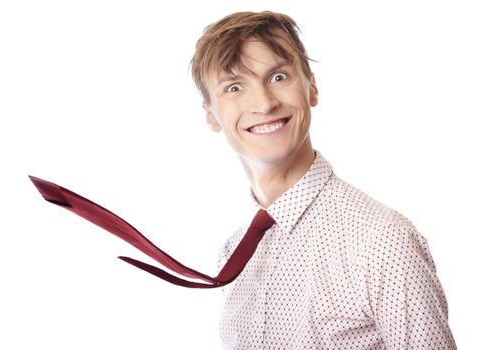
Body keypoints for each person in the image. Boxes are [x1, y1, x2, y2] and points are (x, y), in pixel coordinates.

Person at [190, 11, 457, 349]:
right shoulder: (233, 252)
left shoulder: (384, 242)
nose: (264, 103)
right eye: (234, 87)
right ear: (211, 116)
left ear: (311, 88)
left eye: (278, 77)